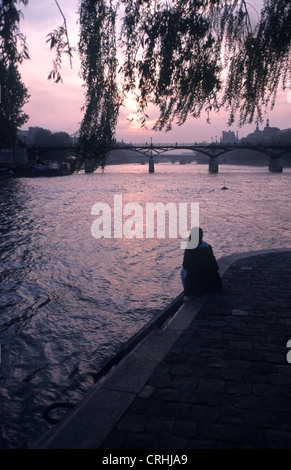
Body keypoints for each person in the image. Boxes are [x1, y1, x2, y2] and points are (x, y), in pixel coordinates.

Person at [181, 226, 222, 300]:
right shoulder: (208, 247)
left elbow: (185, 265)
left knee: (183, 271)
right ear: (201, 236)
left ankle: (187, 292)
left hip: (197, 286)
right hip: (213, 285)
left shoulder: (190, 248)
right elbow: (215, 267)